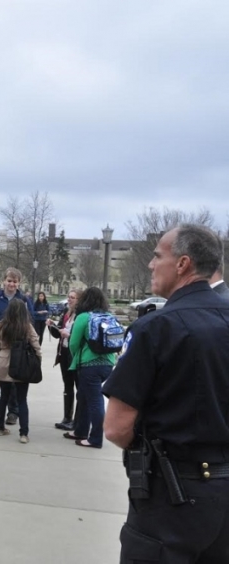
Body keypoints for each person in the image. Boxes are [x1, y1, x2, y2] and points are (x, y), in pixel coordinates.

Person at [104, 224, 229, 561]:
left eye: (158, 256)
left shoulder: (155, 328)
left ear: (182, 264)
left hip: (170, 499)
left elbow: (116, 427)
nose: (150, 264)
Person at [62, 287, 117, 449]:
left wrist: (77, 357)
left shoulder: (83, 317)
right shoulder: (108, 316)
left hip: (89, 365)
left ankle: (95, 438)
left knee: (94, 401)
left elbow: (73, 343)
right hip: (107, 363)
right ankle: (80, 430)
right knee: (84, 396)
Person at [0, 268, 36, 425]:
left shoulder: (23, 300)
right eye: (9, 280)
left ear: (19, 283)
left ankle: (13, 412)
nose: (11, 284)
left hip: (17, 347)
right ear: (4, 281)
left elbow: (30, 321)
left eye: (15, 281)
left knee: (13, 378)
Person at [0, 299, 41, 444]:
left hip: (3, 362)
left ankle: (0, 427)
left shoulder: (0, 326)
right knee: (22, 400)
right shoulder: (27, 327)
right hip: (21, 364)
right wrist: (37, 362)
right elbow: (36, 346)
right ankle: (23, 433)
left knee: (3, 397)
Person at [46, 289, 82, 431]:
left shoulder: (81, 315)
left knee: (79, 387)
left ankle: (78, 420)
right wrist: (51, 326)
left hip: (75, 355)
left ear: (79, 300)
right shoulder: (66, 313)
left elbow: (79, 335)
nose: (69, 299)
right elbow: (58, 334)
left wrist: (69, 334)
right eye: (69, 296)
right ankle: (67, 417)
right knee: (67, 386)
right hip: (64, 353)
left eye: (73, 297)